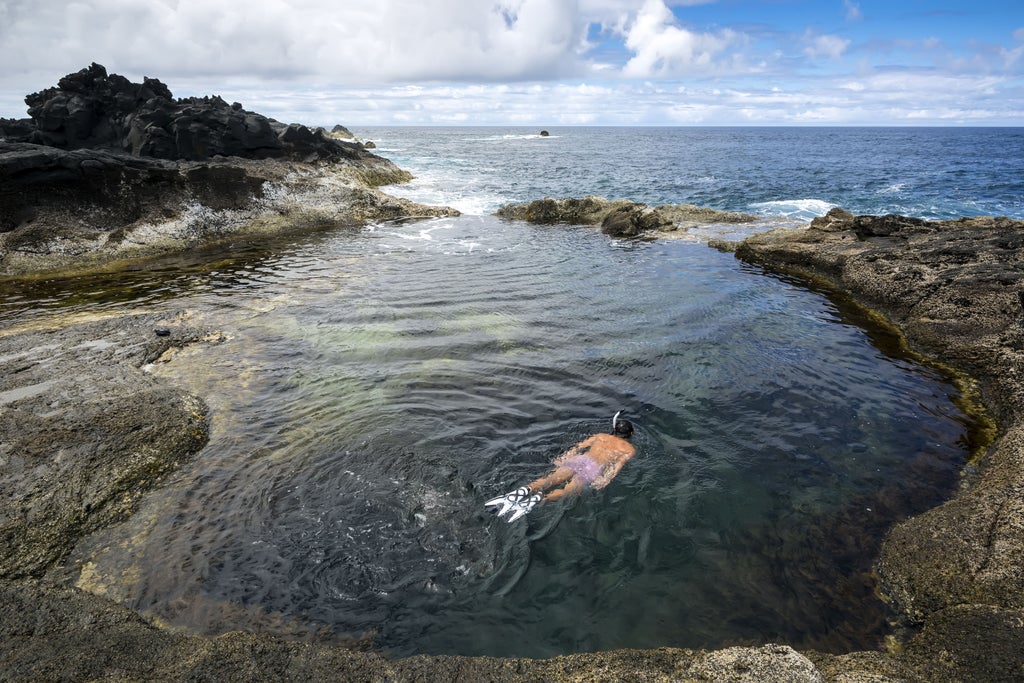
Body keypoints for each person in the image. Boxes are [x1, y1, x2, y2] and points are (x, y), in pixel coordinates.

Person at [485, 411, 636, 522]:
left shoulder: (601, 436)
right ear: (630, 433)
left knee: (551, 478)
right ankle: (541, 498)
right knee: (568, 490)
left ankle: (527, 489)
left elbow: (578, 447)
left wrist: (564, 457)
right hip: (593, 469)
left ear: (615, 430)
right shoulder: (628, 449)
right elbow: (617, 465)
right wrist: (606, 479)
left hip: (580, 459)